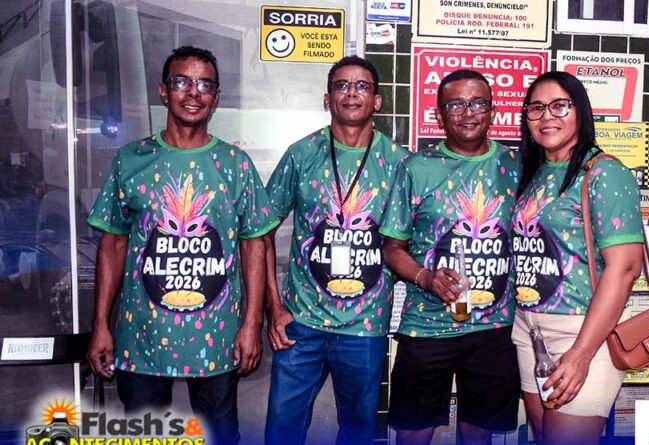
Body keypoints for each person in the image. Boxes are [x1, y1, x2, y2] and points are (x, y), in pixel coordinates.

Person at [86, 46, 270, 445]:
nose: (193, 93)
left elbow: (255, 245)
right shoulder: (131, 160)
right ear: (163, 91)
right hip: (142, 337)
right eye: (182, 82)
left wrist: (252, 324)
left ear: (216, 97)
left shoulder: (235, 164)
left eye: (205, 84)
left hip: (217, 338)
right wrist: (100, 324)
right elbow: (113, 244)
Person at [262, 56, 409, 445]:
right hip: (301, 323)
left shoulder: (399, 163)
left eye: (362, 86)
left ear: (377, 101)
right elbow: (259, 232)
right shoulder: (302, 154)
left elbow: (406, 242)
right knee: (281, 429)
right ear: (327, 99)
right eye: (341, 85)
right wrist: (274, 307)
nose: (351, 93)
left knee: (358, 433)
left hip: (365, 327)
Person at [380, 69, 520, 445]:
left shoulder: (516, 166)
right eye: (456, 104)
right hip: (426, 328)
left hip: (495, 328)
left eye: (478, 103)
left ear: (493, 111)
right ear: (439, 115)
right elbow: (392, 247)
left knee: (479, 434)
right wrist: (426, 278)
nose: (468, 112)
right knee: (413, 432)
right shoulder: (416, 168)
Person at [510, 71, 644, 445]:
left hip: (585, 332)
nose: (547, 116)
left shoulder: (604, 172)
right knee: (543, 436)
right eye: (536, 108)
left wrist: (582, 353)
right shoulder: (535, 172)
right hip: (529, 330)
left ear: (580, 112)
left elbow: (625, 268)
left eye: (559, 106)